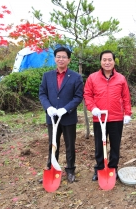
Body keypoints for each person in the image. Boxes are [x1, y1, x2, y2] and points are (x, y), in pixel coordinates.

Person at [83, 50, 132, 181]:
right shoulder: (92, 78)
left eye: (110, 59)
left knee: (115, 145)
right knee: (99, 145)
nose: (107, 62)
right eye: (104, 59)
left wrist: (127, 113)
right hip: (99, 118)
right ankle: (99, 168)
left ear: (114, 61)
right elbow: (87, 95)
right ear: (100, 61)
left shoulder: (121, 78)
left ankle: (113, 167)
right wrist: (92, 108)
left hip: (116, 118)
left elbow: (126, 97)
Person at [39, 46, 84, 183]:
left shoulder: (76, 77)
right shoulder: (47, 76)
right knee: (53, 143)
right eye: (58, 56)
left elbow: (78, 96)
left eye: (64, 57)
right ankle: (51, 167)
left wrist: (65, 109)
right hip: (52, 117)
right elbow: (42, 93)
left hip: (68, 117)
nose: (61, 59)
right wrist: (48, 107)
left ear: (69, 60)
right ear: (55, 58)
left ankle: (70, 170)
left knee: (70, 144)